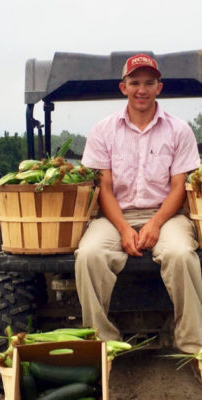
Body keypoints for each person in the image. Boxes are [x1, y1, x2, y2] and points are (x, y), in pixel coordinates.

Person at [75, 53, 202, 381]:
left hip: (167, 214)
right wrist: (123, 229)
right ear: (123, 87)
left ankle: (193, 346)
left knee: (181, 254)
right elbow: (104, 188)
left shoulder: (178, 130)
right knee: (88, 255)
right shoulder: (104, 130)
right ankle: (103, 345)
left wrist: (156, 224)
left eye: (148, 82)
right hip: (115, 214)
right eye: (134, 82)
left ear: (159, 87)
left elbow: (178, 187)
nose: (141, 89)